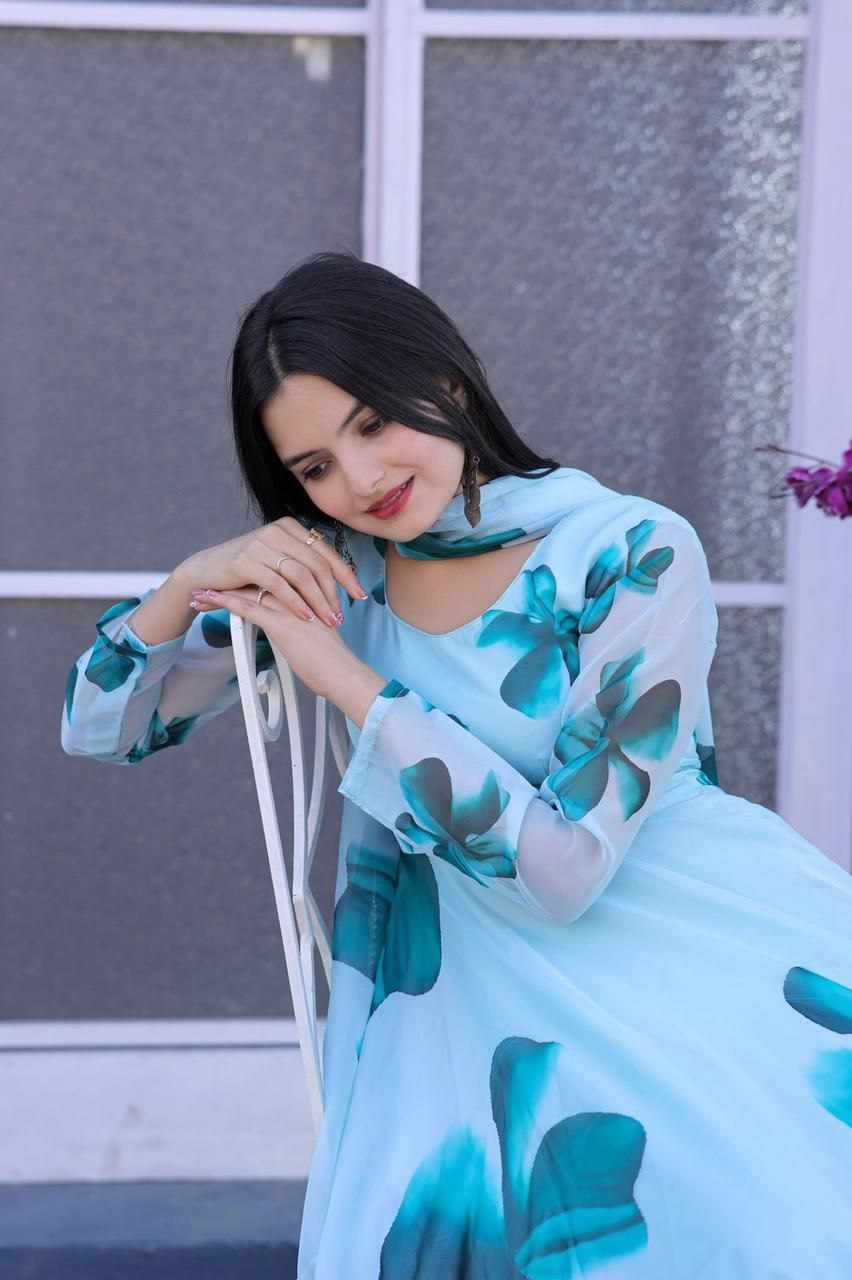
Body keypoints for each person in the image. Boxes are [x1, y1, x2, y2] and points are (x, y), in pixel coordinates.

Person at [61, 250, 852, 1278]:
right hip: (451, 1002)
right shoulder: (338, 572)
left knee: (766, 1233)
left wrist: (353, 684)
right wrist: (184, 586)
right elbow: (103, 728)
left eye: (371, 424)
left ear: (445, 381)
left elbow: (567, 864)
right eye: (313, 467)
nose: (359, 481)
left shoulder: (630, 549)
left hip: (680, 958)